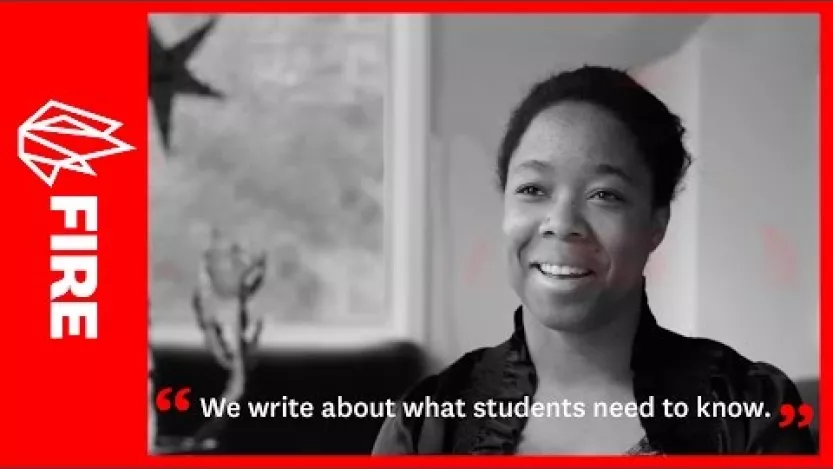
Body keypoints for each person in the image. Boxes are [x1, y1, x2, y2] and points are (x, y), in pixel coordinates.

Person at [371, 65, 816, 455]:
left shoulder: (749, 412)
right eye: (532, 189)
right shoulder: (426, 426)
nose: (562, 222)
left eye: (605, 195)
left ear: (656, 224)